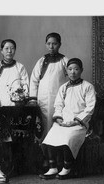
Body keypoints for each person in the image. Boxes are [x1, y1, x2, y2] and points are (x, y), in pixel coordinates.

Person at [39, 58, 96, 180]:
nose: (73, 72)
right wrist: (59, 119)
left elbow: (90, 108)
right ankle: (52, 167)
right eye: (70, 69)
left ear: (81, 70)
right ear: (66, 71)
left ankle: (66, 167)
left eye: (76, 69)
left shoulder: (88, 87)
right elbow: (58, 105)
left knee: (67, 138)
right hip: (63, 122)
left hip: (79, 123)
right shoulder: (63, 88)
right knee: (50, 137)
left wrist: (76, 121)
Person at [0, 39, 29, 175]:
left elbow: (26, 84)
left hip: (17, 107)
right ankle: (5, 165)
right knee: (4, 136)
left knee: (16, 135)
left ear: (15, 50)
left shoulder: (20, 67)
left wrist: (21, 99)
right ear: (1, 51)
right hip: (2, 107)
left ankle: (17, 166)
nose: (9, 51)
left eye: (12, 48)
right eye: (6, 48)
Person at [29, 32, 69, 171]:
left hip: (58, 102)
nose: (51, 46)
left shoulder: (64, 61)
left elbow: (70, 80)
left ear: (59, 44)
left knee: (57, 128)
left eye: (55, 43)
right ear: (46, 45)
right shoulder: (42, 61)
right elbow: (34, 80)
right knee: (43, 128)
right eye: (49, 44)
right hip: (43, 101)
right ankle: (46, 159)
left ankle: (58, 160)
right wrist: (33, 99)